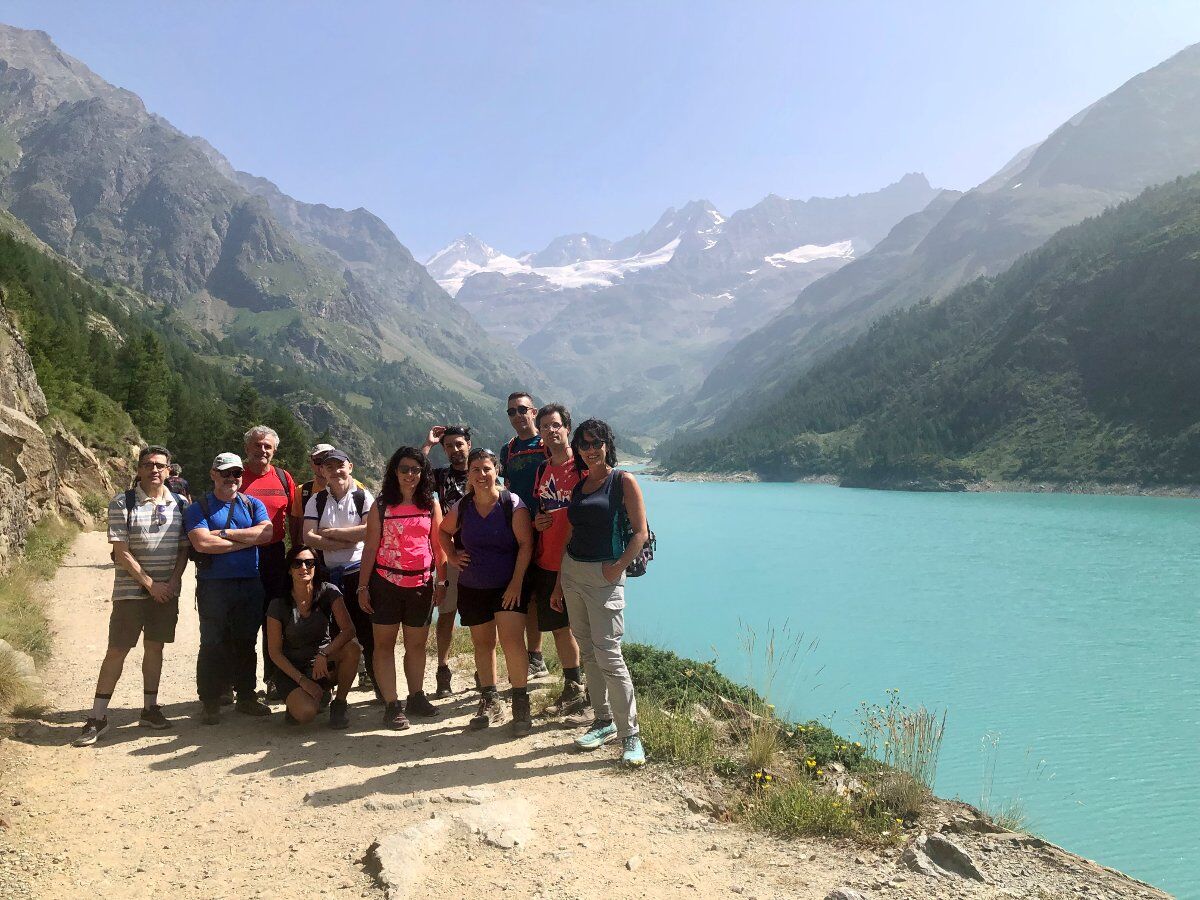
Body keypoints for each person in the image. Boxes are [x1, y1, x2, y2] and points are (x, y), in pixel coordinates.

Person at [73, 446, 190, 746]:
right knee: (118, 650)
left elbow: (183, 548)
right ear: (138, 469)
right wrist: (151, 584)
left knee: (155, 649)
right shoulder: (121, 502)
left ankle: (150, 710)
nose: (154, 470)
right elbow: (121, 551)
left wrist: (174, 581)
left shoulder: (179, 503)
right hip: (131, 593)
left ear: (168, 471)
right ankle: (97, 717)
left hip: (165, 592)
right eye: (148, 464)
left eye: (160, 465)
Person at [553, 419, 648, 767]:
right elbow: (571, 532)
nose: (590, 450)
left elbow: (640, 533)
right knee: (588, 652)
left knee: (609, 654)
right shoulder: (581, 485)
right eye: (584, 444)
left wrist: (617, 566)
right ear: (577, 449)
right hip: (573, 573)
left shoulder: (623, 481)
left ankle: (631, 734)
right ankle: (603, 720)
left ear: (607, 444)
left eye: (596, 443)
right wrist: (557, 581)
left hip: (605, 575)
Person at [438, 448, 534, 735]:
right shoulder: (464, 506)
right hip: (473, 585)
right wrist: (453, 556)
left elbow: (526, 545)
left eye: (486, 468)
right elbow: (443, 532)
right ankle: (490, 700)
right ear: (468, 474)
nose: (481, 475)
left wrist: (517, 583)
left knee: (513, 643)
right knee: (483, 645)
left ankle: (520, 704)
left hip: (508, 586)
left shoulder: (511, 504)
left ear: (497, 471)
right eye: (476, 469)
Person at [359, 446, 446, 729]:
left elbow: (439, 546)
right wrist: (363, 586)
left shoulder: (430, 504)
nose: (410, 475)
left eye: (416, 470)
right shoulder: (381, 505)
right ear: (394, 471)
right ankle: (392, 704)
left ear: (423, 473)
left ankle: (416, 696)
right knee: (384, 645)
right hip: (385, 583)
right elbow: (370, 547)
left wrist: (441, 581)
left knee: (417, 644)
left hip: (420, 584)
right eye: (404, 469)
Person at [185, 453, 274, 725]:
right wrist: (248, 540)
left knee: (247, 641)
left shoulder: (252, 503)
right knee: (212, 642)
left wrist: (221, 534)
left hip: (249, 582)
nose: (231, 478)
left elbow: (267, 534)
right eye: (225, 473)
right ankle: (210, 701)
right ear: (213, 474)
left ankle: (246, 695)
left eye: (236, 473)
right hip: (214, 585)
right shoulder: (198, 507)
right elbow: (202, 544)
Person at [527, 404, 587, 718]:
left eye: (557, 425)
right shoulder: (542, 469)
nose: (552, 430)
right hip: (547, 561)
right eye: (546, 426)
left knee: (583, 630)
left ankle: (594, 694)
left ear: (567, 429)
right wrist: (537, 522)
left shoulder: (583, 466)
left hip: (577, 561)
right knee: (560, 630)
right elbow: (543, 509)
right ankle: (573, 686)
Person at [302, 450, 376, 698]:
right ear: (322, 472)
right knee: (333, 635)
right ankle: (329, 691)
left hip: (359, 574)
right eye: (329, 467)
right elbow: (307, 536)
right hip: (328, 576)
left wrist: (330, 534)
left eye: (340, 466)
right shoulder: (316, 500)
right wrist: (346, 540)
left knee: (368, 632)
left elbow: (369, 532)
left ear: (350, 466)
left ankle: (379, 687)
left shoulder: (362, 496)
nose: (335, 471)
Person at [265, 545, 361, 729]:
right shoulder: (278, 604)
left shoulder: (329, 592)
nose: (304, 568)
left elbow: (349, 630)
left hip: (321, 664)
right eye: (297, 563)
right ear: (289, 569)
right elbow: (275, 653)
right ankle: (303, 699)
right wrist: (303, 681)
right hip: (293, 671)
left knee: (352, 648)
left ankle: (339, 704)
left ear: (316, 567)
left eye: (309, 563)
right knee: (306, 713)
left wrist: (324, 654)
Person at [239, 425, 298, 695]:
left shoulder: (284, 479)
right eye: (257, 445)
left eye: (267, 447)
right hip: (240, 555)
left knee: (273, 620)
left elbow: (294, 520)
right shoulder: (236, 477)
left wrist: (297, 554)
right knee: (241, 620)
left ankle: (273, 679)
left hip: (274, 556)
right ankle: (238, 683)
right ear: (246, 448)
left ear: (274, 451)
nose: (262, 450)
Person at [499, 391, 550, 681]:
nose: (517, 416)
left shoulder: (546, 443)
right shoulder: (508, 449)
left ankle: (573, 667)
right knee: (528, 595)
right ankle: (535, 657)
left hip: (547, 529)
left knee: (553, 594)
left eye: (522, 409)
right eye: (511, 412)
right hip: (519, 530)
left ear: (534, 411)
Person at [421, 424, 471, 697]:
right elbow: (413, 472)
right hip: (452, 554)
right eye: (449, 445)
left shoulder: (484, 470)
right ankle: (443, 669)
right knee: (447, 614)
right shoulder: (441, 476)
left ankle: (482, 672)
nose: (455, 449)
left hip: (482, 556)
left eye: (459, 444)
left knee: (482, 617)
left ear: (468, 443)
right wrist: (428, 444)